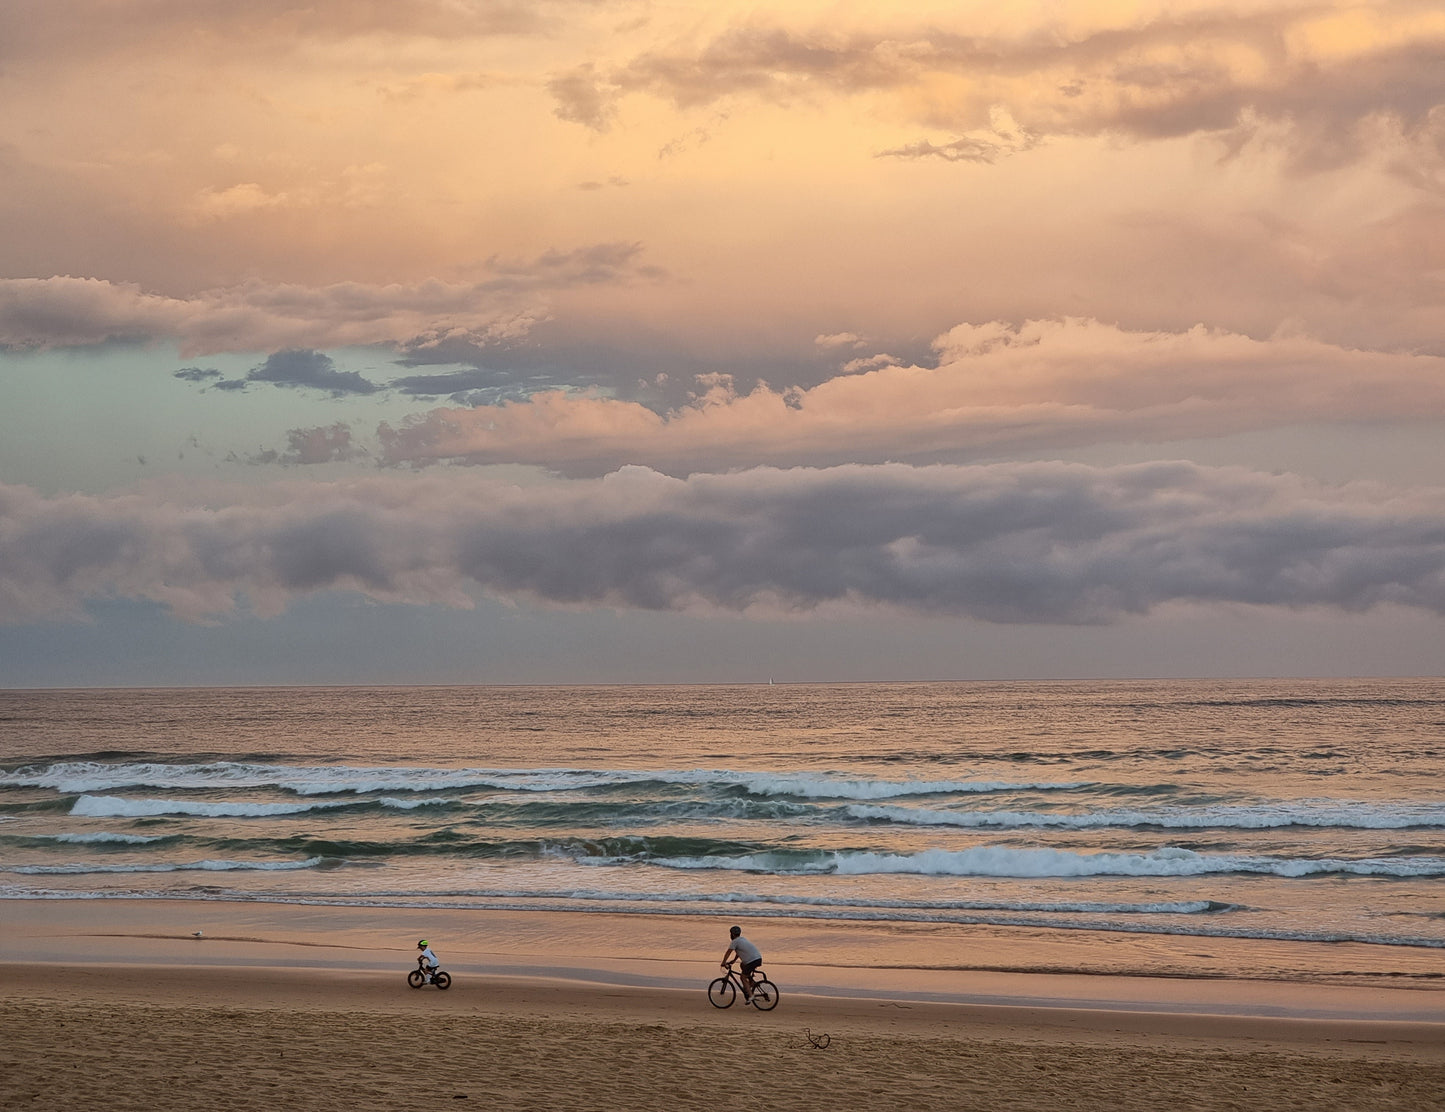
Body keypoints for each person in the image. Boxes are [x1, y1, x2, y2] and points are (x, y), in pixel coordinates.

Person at [721, 925, 762, 1002]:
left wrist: (723, 962)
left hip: (752, 961)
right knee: (742, 965)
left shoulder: (734, 942)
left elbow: (728, 952)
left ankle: (751, 996)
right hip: (758, 959)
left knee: (742, 977)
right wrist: (733, 960)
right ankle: (751, 981)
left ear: (732, 934)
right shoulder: (742, 939)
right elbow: (739, 952)